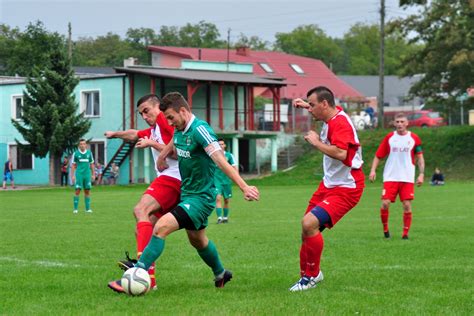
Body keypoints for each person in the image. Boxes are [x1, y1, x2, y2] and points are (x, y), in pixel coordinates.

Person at [111, 91, 259, 292]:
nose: (169, 123)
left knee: (160, 226)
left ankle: (138, 272)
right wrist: (162, 156)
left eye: (171, 117)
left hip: (202, 197)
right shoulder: (180, 128)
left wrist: (244, 186)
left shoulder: (200, 130)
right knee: (198, 240)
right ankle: (221, 273)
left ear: (183, 111)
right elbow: (174, 142)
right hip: (188, 194)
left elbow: (220, 160)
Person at [289, 86, 365, 292]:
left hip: (347, 187)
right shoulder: (332, 114)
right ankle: (306, 275)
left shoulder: (340, 123)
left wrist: (316, 143)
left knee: (309, 223)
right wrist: (307, 105)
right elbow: (326, 106)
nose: (310, 109)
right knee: (306, 230)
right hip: (330, 184)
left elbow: (341, 153)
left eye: (312, 105)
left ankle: (312, 276)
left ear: (324, 104)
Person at [106, 94, 182, 292]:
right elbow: (134, 134)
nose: (145, 116)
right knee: (146, 229)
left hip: (173, 179)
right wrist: (115, 134)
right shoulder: (155, 128)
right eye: (141, 114)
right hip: (177, 183)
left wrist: (152, 145)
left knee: (141, 210)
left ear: (158, 107)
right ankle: (220, 272)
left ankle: (142, 274)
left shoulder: (165, 120)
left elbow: (177, 152)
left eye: (147, 111)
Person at [369, 112, 425, 240]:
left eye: (402, 122)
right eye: (397, 122)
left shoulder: (414, 139)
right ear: (394, 123)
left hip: (407, 177)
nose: (399, 124)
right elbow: (378, 155)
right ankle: (385, 230)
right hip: (390, 177)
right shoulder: (390, 138)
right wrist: (373, 171)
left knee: (406, 205)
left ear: (407, 123)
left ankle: (405, 234)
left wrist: (421, 174)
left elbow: (420, 158)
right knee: (385, 204)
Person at [214, 139, 238, 224]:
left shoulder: (229, 155)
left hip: (226, 181)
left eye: (222, 144)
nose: (221, 146)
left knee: (227, 200)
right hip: (216, 180)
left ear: (225, 145)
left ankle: (225, 217)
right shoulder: (213, 156)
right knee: (218, 198)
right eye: (219, 144)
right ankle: (219, 218)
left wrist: (236, 178)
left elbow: (234, 167)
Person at [71, 139, 95, 214]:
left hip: (87, 174)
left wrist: (93, 174)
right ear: (79, 145)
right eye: (81, 144)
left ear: (86, 145)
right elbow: (73, 165)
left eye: (84, 144)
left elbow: (91, 164)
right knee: (77, 190)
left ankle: (87, 209)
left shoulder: (89, 153)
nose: (82, 145)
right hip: (79, 174)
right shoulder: (76, 154)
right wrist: (73, 176)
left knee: (87, 191)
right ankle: (75, 209)